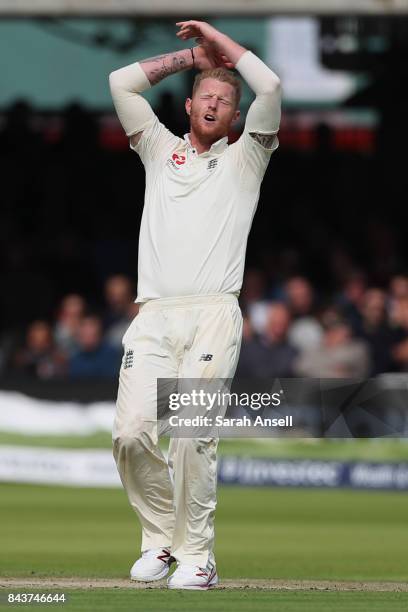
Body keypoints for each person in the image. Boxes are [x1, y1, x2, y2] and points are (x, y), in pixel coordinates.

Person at [109, 19, 281, 590]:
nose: (215, 104)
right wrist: (193, 58)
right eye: (206, 96)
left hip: (212, 314)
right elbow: (120, 83)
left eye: (226, 100)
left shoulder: (246, 159)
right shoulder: (159, 150)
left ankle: (198, 557)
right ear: (188, 106)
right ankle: (161, 543)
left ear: (236, 116)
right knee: (132, 433)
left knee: (191, 435)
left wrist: (222, 45)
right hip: (154, 314)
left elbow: (272, 87)